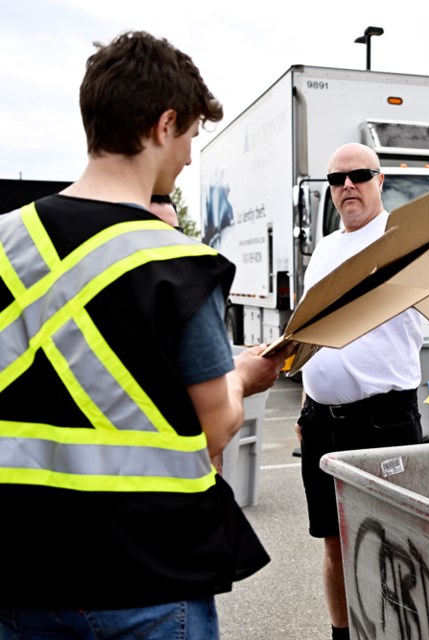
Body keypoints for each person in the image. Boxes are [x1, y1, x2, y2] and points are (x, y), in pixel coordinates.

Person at [0, 31, 292, 639]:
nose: (187, 155)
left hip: (17, 570)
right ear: (164, 125)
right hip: (145, 573)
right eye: (189, 136)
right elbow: (215, 423)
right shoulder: (177, 262)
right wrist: (242, 375)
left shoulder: (6, 242)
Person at [295, 142, 424, 640]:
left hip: (384, 419)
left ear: (380, 181)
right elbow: (312, 330)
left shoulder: (406, 240)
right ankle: (342, 635)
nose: (347, 186)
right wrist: (306, 406)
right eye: (336, 179)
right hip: (322, 418)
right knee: (332, 542)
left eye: (360, 175)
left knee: (394, 544)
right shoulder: (325, 249)